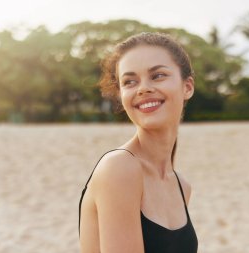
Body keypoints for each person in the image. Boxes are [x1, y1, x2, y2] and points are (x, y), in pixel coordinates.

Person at [78, 32, 198, 253]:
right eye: (130, 81)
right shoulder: (119, 167)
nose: (143, 88)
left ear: (187, 87)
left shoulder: (181, 186)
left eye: (158, 75)